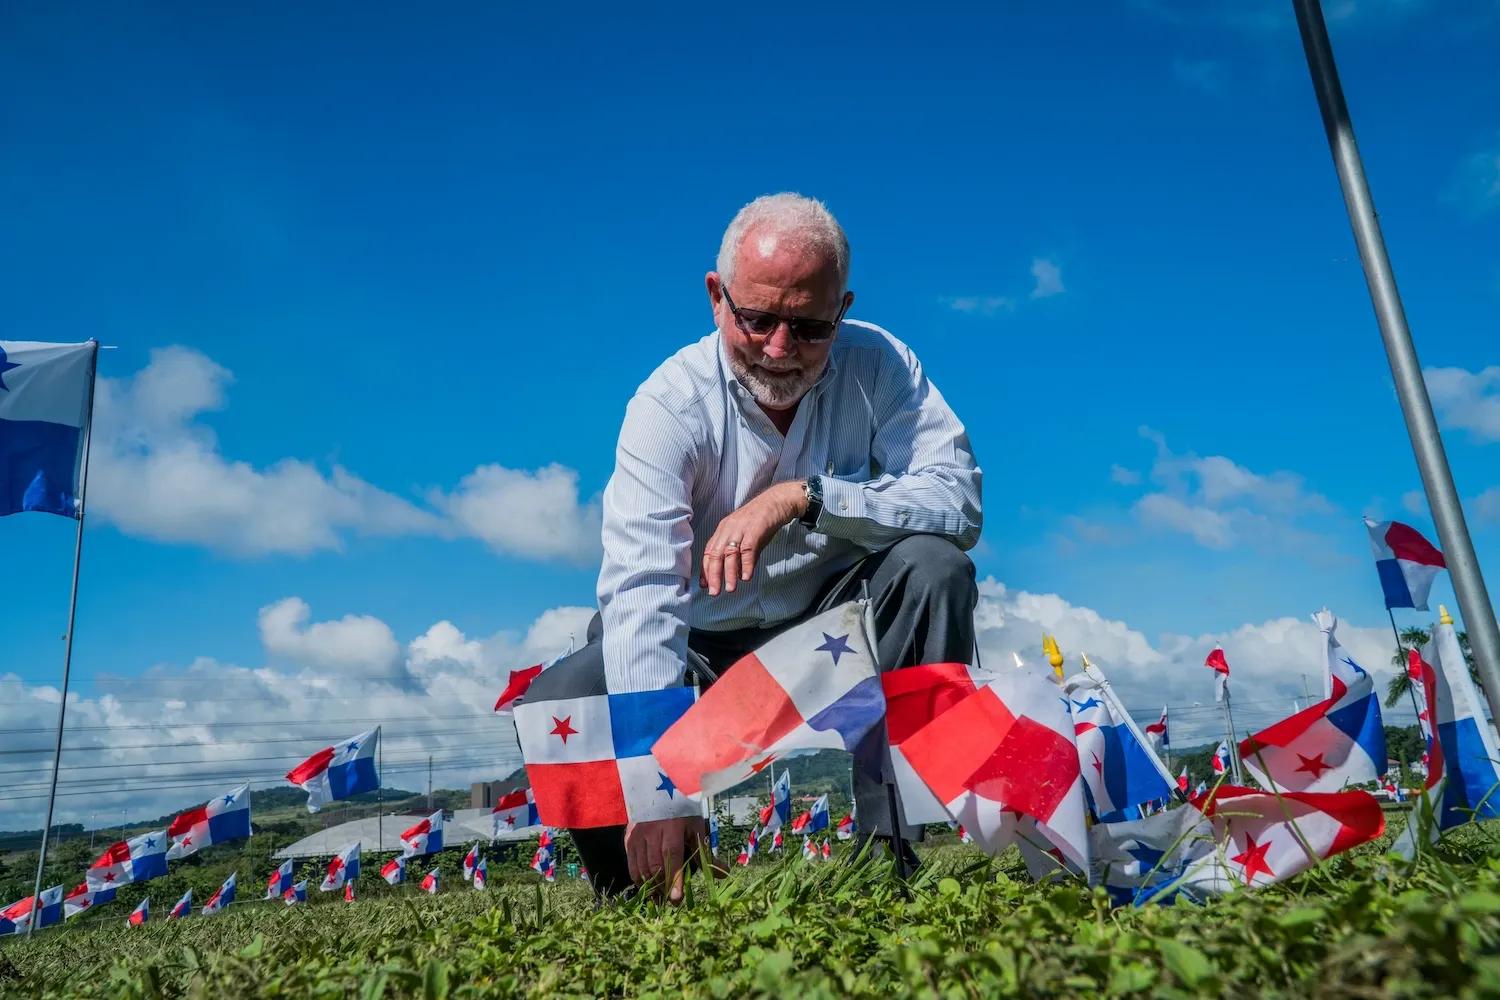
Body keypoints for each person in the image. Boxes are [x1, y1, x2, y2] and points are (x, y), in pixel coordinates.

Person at [525, 192, 982, 899]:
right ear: (716, 297)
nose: (779, 349)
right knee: (570, 693)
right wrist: (658, 791)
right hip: (701, 642)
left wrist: (807, 497)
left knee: (933, 567)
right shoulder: (667, 408)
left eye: (809, 327)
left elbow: (958, 503)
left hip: (833, 623)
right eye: (758, 319)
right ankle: (642, 891)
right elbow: (644, 589)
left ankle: (887, 854)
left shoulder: (881, 366)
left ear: (843, 306)